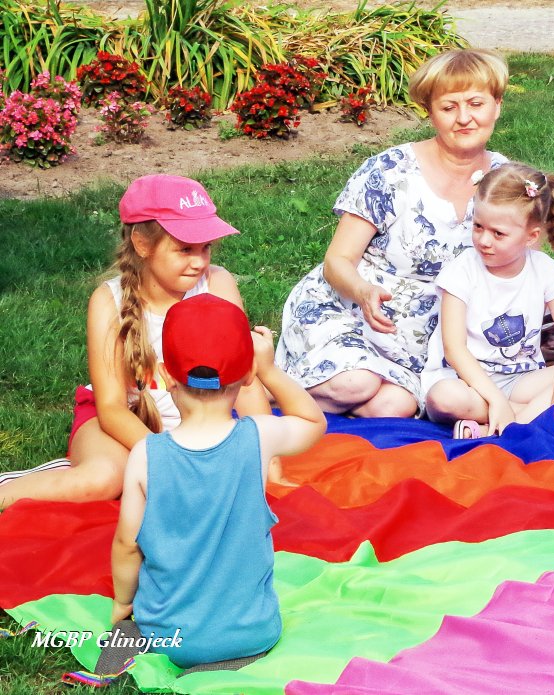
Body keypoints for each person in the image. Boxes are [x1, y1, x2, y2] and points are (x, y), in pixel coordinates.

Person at [0, 175, 273, 511]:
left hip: (197, 422)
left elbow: (244, 381)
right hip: (121, 422)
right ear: (143, 244)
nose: (200, 261)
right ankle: (9, 488)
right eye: (185, 249)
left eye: (206, 247)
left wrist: (267, 459)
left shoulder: (218, 285)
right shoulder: (109, 302)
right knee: (102, 480)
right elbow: (111, 407)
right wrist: (169, 459)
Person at [275, 48, 510, 417]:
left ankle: (318, 401)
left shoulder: (505, 180)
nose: (464, 118)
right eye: (449, 107)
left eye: (476, 104)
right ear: (430, 112)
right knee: (357, 383)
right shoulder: (389, 171)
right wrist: (362, 291)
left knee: (394, 406)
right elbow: (337, 261)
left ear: (497, 106)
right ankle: (265, 386)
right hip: (350, 313)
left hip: (429, 343)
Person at [109, 294, 326, 669]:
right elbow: (313, 422)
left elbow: (127, 544)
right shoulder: (259, 437)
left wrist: (122, 603)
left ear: (166, 376)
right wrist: (270, 370)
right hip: (253, 635)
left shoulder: (146, 454)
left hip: (168, 638)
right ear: (247, 376)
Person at [421, 163, 554, 438]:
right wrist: (496, 400)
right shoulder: (461, 272)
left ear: (530, 236)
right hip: (468, 383)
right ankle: (531, 416)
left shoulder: (544, 270)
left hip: (521, 380)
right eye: (478, 226)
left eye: (498, 233)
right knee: (444, 397)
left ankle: (503, 428)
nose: (484, 240)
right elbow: (454, 350)